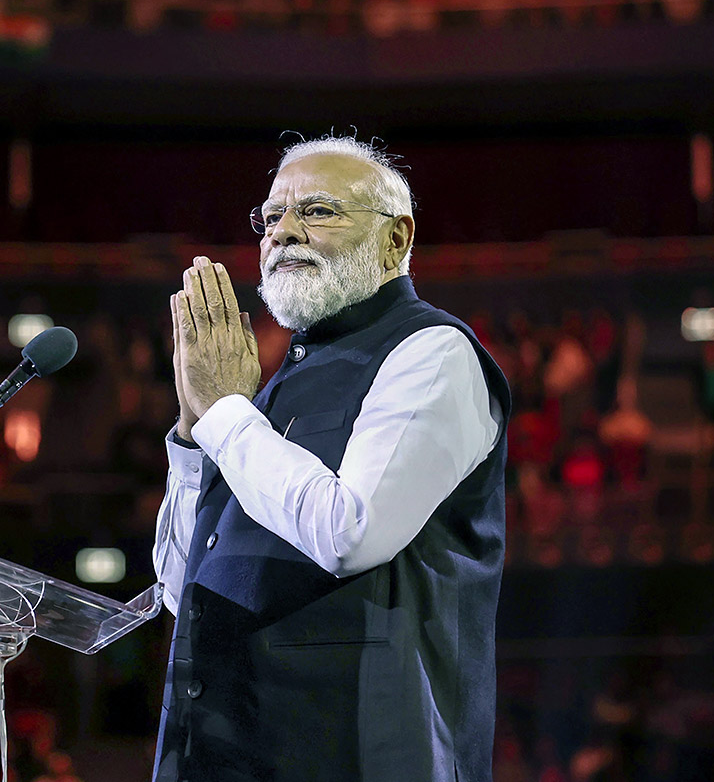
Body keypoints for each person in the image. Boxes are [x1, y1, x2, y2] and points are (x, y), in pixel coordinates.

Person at [152, 135, 511, 781]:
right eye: (271, 217)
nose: (282, 232)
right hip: (226, 750)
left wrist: (226, 415)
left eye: (317, 211)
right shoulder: (268, 388)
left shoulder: (431, 351)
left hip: (357, 752)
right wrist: (190, 436)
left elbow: (352, 533)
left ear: (396, 241)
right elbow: (186, 592)